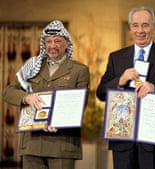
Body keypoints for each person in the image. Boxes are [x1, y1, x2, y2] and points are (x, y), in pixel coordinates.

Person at [96, 6, 155, 169]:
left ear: (154, 27)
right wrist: (120, 80)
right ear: (130, 28)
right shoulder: (116, 57)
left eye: (145, 25)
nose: (140, 30)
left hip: (152, 137)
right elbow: (101, 92)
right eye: (135, 25)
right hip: (122, 137)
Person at [3, 20, 90, 169]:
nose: (52, 45)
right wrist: (26, 97)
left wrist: (60, 121)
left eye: (57, 41)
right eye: (48, 41)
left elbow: (80, 104)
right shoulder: (32, 66)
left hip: (62, 144)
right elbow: (7, 92)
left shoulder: (79, 70)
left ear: (67, 44)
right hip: (32, 144)